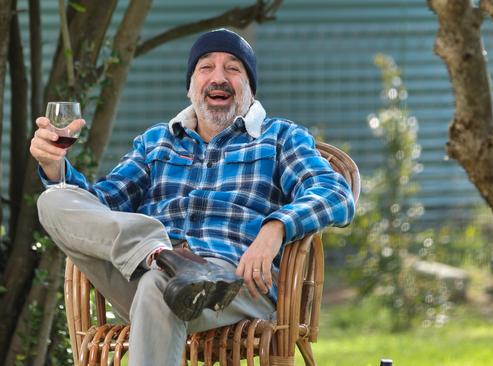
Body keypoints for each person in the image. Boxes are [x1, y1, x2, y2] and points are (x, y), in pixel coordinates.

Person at [31, 28, 355, 365]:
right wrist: (55, 167)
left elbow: (335, 193)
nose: (219, 77)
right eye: (206, 67)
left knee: (160, 285)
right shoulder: (156, 143)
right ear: (190, 86)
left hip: (232, 283)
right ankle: (161, 254)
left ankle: (169, 265)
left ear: (250, 87)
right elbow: (101, 207)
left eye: (233, 68)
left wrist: (276, 228)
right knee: (53, 198)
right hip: (140, 271)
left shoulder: (280, 138)